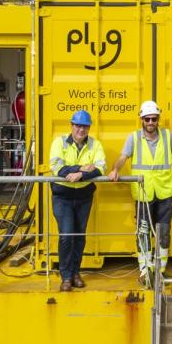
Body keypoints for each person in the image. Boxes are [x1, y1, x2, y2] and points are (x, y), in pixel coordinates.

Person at [109, 100, 172, 285]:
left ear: (158, 119)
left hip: (165, 191)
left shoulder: (168, 136)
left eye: (154, 119)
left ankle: (160, 270)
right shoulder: (133, 138)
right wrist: (116, 169)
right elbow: (122, 157)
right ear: (141, 119)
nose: (151, 122)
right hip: (143, 193)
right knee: (143, 232)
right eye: (147, 119)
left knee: (164, 232)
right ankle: (145, 270)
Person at [48, 110, 107, 292]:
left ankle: (75, 272)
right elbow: (57, 167)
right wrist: (80, 167)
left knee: (79, 237)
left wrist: (80, 174)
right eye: (78, 125)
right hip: (63, 196)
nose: (81, 129)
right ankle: (66, 277)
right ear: (71, 126)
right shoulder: (59, 142)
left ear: (89, 128)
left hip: (83, 196)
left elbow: (101, 167)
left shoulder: (95, 144)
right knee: (66, 236)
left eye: (85, 126)